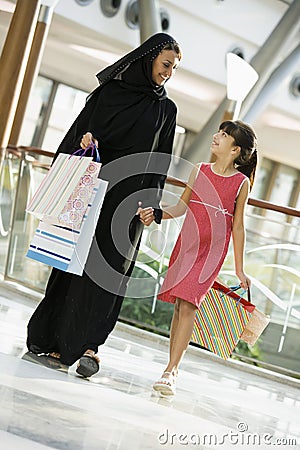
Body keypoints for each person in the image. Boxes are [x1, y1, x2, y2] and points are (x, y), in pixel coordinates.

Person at [26, 33, 182, 377]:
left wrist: (151, 208)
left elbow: (161, 162)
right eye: (166, 64)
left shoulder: (166, 109)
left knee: (108, 276)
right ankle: (51, 338)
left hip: (127, 208)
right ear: (148, 60)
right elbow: (80, 134)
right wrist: (87, 139)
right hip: (90, 198)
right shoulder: (110, 94)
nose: (169, 72)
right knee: (74, 266)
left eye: (174, 67)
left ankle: (89, 348)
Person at [139, 120, 258, 396]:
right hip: (187, 246)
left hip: (210, 253)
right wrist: (156, 213)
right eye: (218, 132)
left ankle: (171, 372)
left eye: (224, 135)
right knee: (180, 306)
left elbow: (237, 227)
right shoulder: (199, 170)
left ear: (235, 150)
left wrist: (240, 270)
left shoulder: (241, 183)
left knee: (190, 304)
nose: (216, 137)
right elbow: (181, 207)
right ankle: (171, 368)